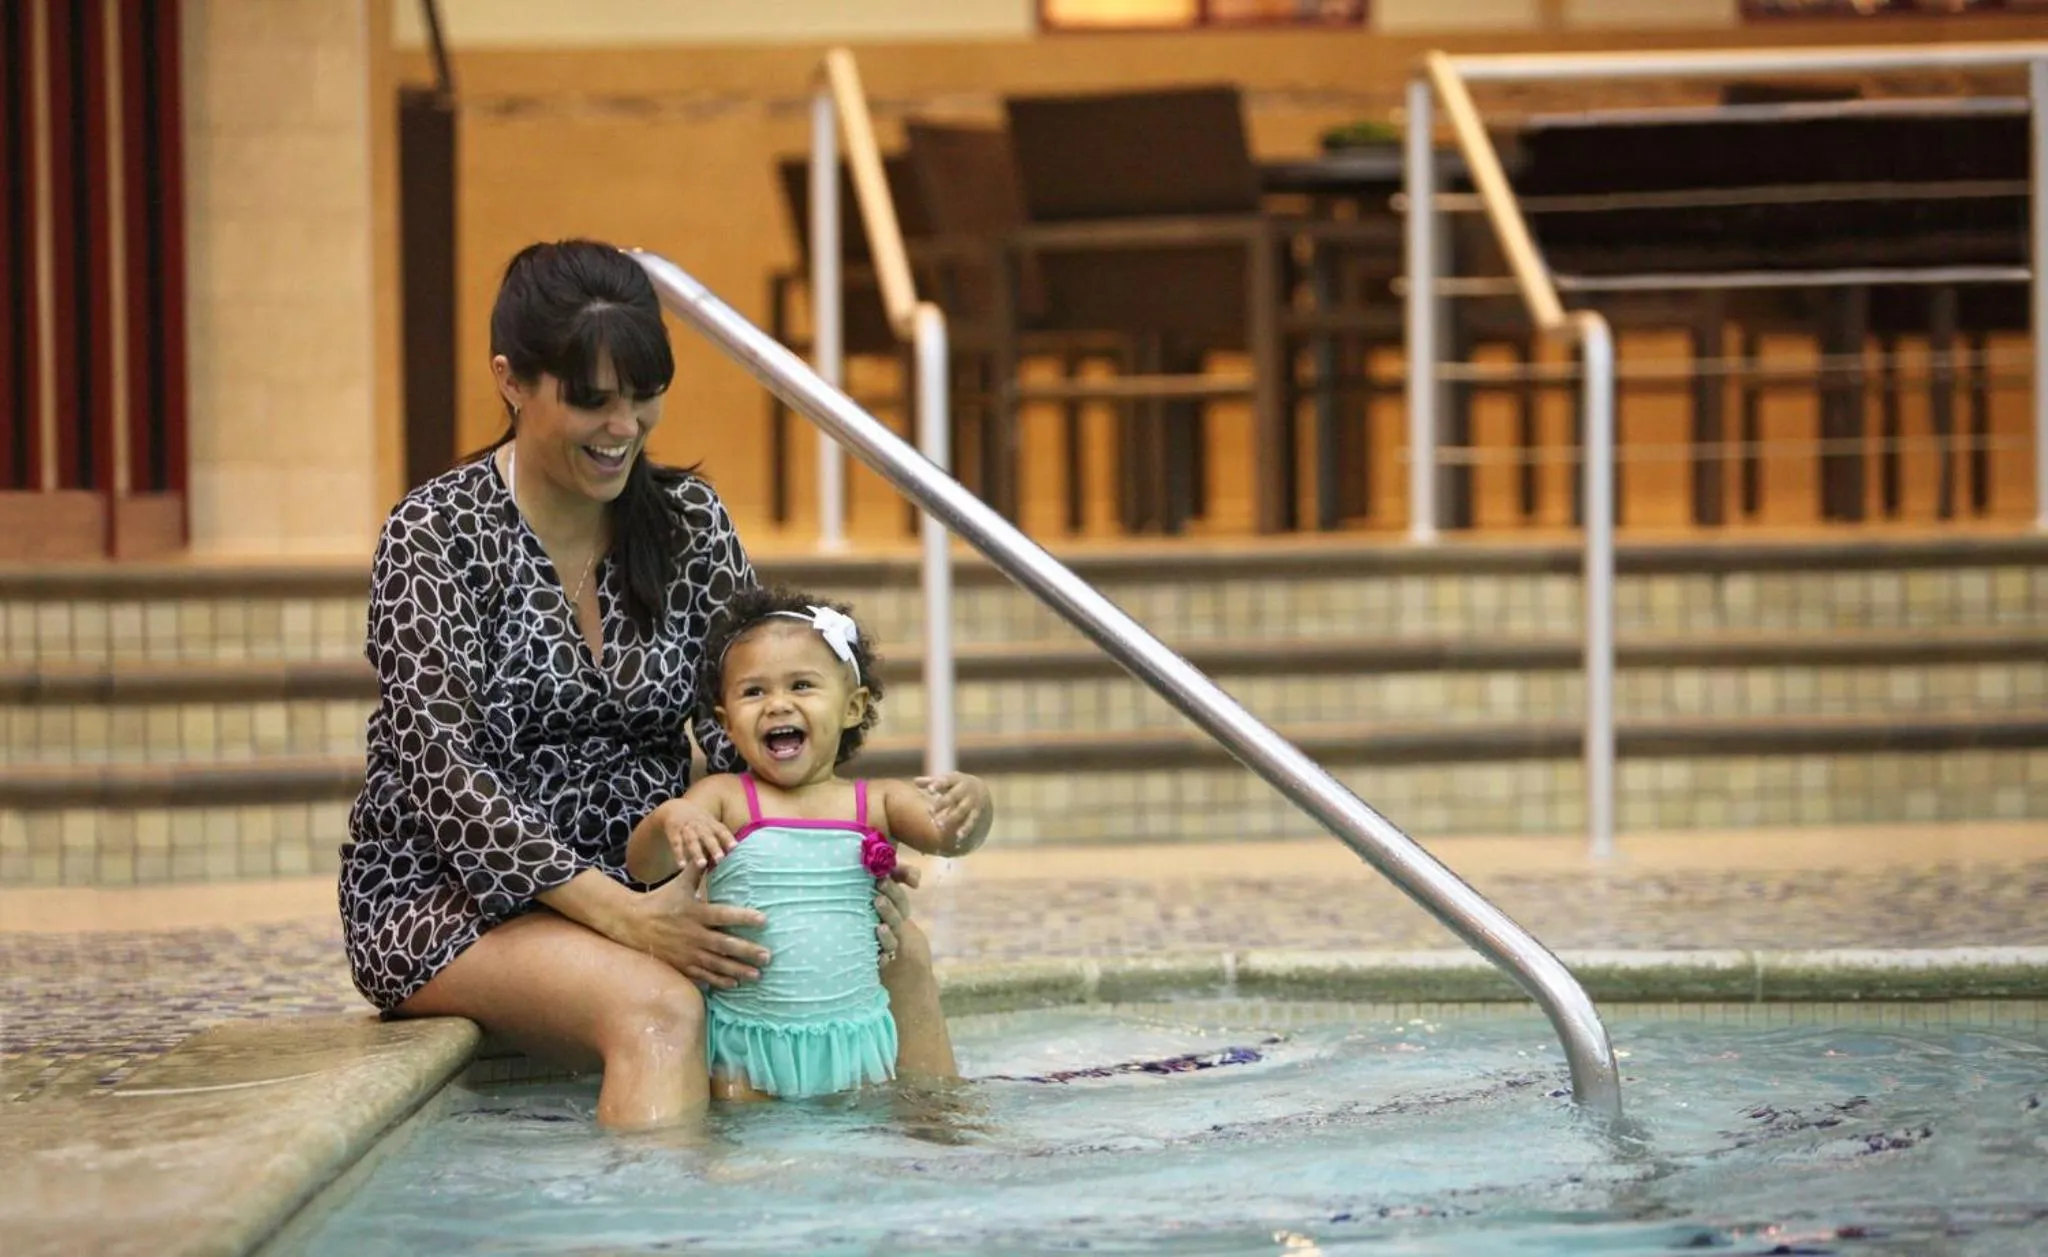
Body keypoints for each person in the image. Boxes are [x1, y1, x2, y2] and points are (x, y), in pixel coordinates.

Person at [338, 239, 952, 1130]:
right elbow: (443, 775)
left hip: (660, 866)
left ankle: (949, 1188)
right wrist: (627, 919)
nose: (623, 424)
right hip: (455, 896)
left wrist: (822, 859)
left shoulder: (689, 522)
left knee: (893, 954)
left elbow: (758, 708)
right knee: (661, 1009)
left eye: (643, 395)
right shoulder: (433, 535)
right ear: (512, 381)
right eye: (591, 398)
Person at [625, 587, 994, 1101]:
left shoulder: (878, 802)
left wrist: (975, 804)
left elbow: (949, 838)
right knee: (755, 1154)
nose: (778, 704)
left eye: (802, 685)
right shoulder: (723, 798)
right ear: (727, 722)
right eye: (754, 693)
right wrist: (670, 817)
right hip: (749, 1049)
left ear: (852, 708)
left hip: (856, 1041)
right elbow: (642, 866)